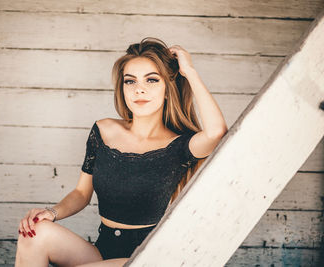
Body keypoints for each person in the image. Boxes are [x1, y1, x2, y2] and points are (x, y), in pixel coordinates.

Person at [14, 37, 227, 267]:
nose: (139, 89)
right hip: (102, 252)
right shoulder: (104, 131)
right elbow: (81, 194)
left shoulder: (180, 146)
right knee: (34, 233)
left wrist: (189, 71)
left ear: (168, 90)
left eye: (152, 80)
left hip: (148, 259)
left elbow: (216, 132)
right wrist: (52, 213)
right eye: (130, 81)